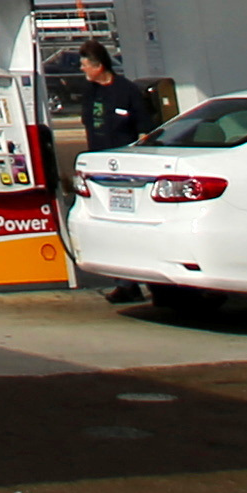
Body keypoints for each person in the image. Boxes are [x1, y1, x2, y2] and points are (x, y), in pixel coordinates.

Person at [78, 44, 159, 305]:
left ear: (99, 66)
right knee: (106, 224)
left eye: (85, 65)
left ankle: (144, 280)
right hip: (99, 167)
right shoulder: (90, 93)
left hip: (125, 168)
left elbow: (145, 128)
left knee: (132, 224)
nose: (82, 70)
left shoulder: (126, 91)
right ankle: (124, 282)